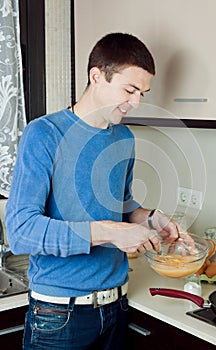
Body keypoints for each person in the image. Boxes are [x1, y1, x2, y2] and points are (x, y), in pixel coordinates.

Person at [5, 32, 188, 350]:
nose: (136, 102)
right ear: (97, 75)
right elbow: (21, 231)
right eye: (129, 90)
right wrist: (109, 232)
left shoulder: (124, 139)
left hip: (117, 307)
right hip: (59, 315)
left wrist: (149, 218)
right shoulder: (44, 135)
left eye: (142, 93)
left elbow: (121, 203)